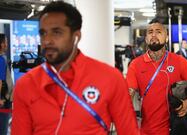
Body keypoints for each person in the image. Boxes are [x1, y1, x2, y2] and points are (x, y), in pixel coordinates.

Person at [11, 1, 139, 135]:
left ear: (76, 36)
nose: (47, 40)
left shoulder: (110, 78)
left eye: (56, 32)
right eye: (43, 33)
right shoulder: (26, 85)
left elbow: (129, 131)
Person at [126, 18, 187, 135]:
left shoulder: (179, 61)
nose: (154, 35)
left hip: (176, 128)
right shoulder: (136, 65)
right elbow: (128, 94)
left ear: (166, 38)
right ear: (146, 38)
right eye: (150, 32)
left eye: (158, 31)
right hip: (147, 130)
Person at [0, 33, 12, 135]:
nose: (6, 44)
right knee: (3, 130)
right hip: (3, 101)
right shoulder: (1, 59)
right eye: (6, 42)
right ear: (1, 44)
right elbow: (1, 81)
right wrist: (2, 98)